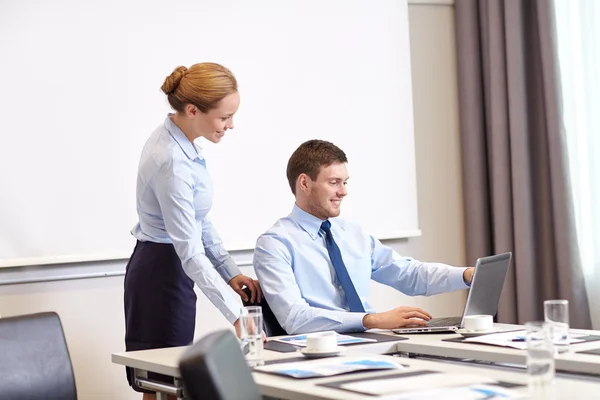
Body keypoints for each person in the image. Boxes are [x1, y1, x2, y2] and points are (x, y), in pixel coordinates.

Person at [124, 62, 262, 398]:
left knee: (171, 382)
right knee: (161, 383)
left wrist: (229, 272)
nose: (231, 125)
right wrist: (237, 317)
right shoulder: (171, 160)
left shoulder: (183, 143)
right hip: (161, 273)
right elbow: (189, 250)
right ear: (192, 110)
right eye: (224, 117)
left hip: (170, 266)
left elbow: (197, 219)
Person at [253, 139, 474, 334]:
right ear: (304, 183)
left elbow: (408, 273)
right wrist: (373, 320)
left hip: (373, 341)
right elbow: (295, 318)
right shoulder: (275, 244)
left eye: (345, 182)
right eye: (334, 182)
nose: (343, 191)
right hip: (322, 351)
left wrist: (465, 275)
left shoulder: (352, 233)